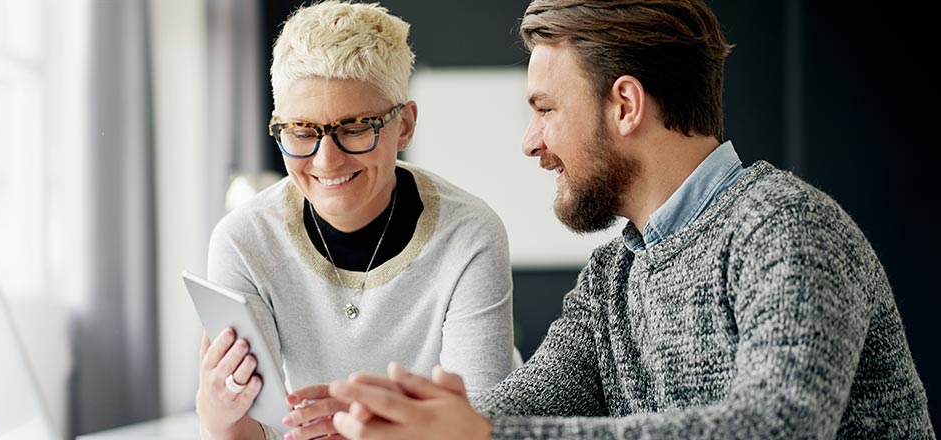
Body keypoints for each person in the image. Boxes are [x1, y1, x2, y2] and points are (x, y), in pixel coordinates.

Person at [305, 0, 937, 438]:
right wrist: (399, 421)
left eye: (545, 108)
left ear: (626, 104)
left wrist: (483, 433)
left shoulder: (786, 228)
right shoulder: (614, 275)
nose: (530, 140)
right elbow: (527, 404)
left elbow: (778, 426)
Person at [195, 2, 521, 439]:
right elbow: (254, 431)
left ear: (404, 125)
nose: (326, 160)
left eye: (354, 128)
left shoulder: (471, 235)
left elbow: (478, 428)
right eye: (302, 131)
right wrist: (218, 412)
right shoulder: (242, 241)